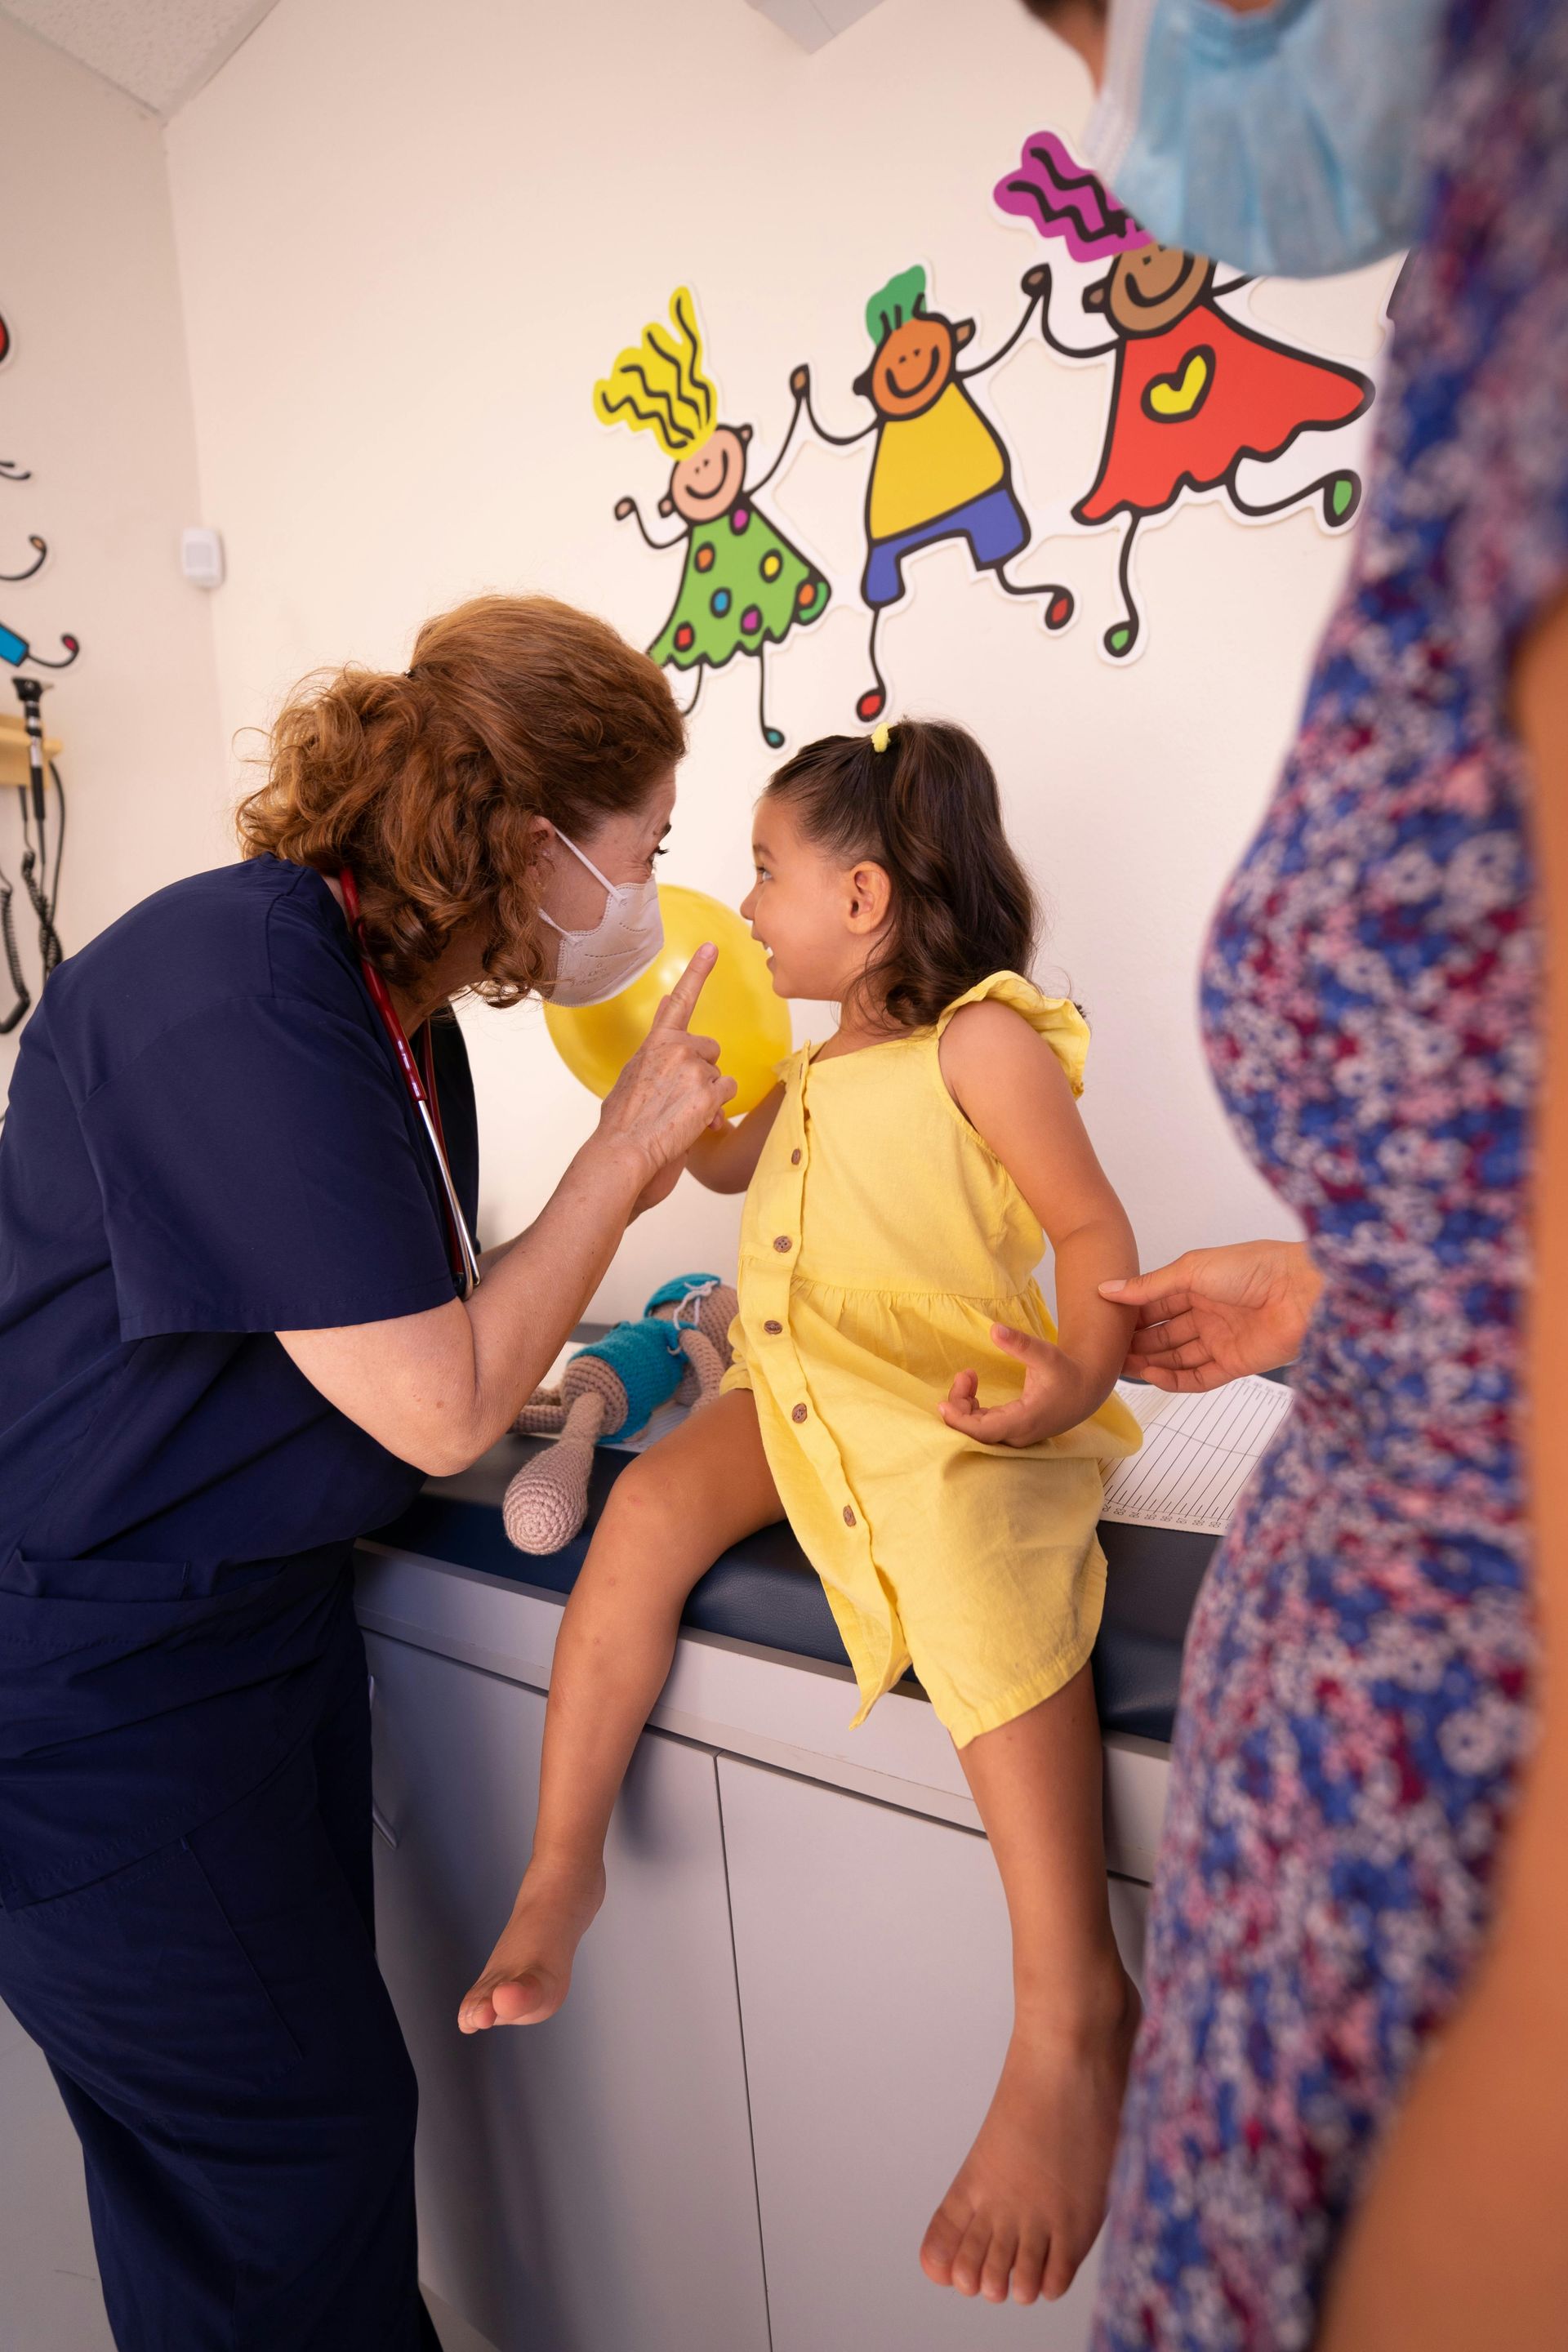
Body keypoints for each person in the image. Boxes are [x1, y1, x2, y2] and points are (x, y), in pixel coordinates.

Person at [1017, 2, 1568, 2346]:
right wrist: (1357, 1295)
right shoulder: (1492, 261)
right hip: (1336, 1797)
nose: (1102, 71)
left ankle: (1062, 2008)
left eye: (1090, 7)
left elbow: (1069, 1249)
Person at [0, 593, 734, 2350]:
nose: (659, 886)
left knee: (250, 2188)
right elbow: (438, 1402)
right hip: (102, 1692)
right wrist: (624, 1153)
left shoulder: (391, 1019)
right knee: (292, 2172)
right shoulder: (239, 984)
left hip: (247, 1651)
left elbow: (403, 1325)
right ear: (539, 841)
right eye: (654, 845)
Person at [461, 717, 1147, 2309]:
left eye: (766, 873)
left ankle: (1070, 2007)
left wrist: (1072, 1372)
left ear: (868, 899)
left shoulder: (983, 1043)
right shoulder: (816, 1063)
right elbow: (720, 1173)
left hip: (955, 1407)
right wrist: (656, 1086)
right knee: (634, 1524)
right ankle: (565, 1864)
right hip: (792, 1401)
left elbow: (1093, 1221)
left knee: (984, 1575)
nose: (740, 902)